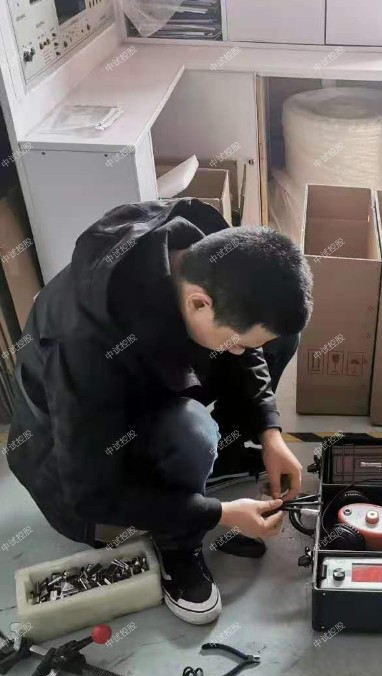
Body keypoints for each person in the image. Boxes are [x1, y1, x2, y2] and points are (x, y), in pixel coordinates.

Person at [7, 198, 313, 624]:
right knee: (192, 432)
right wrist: (219, 514)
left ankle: (203, 469)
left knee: (275, 338)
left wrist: (269, 431)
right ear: (199, 304)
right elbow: (91, 492)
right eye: (237, 344)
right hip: (77, 474)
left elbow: (247, 349)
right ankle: (177, 542)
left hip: (146, 385)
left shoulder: (203, 250)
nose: (241, 352)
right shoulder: (87, 344)